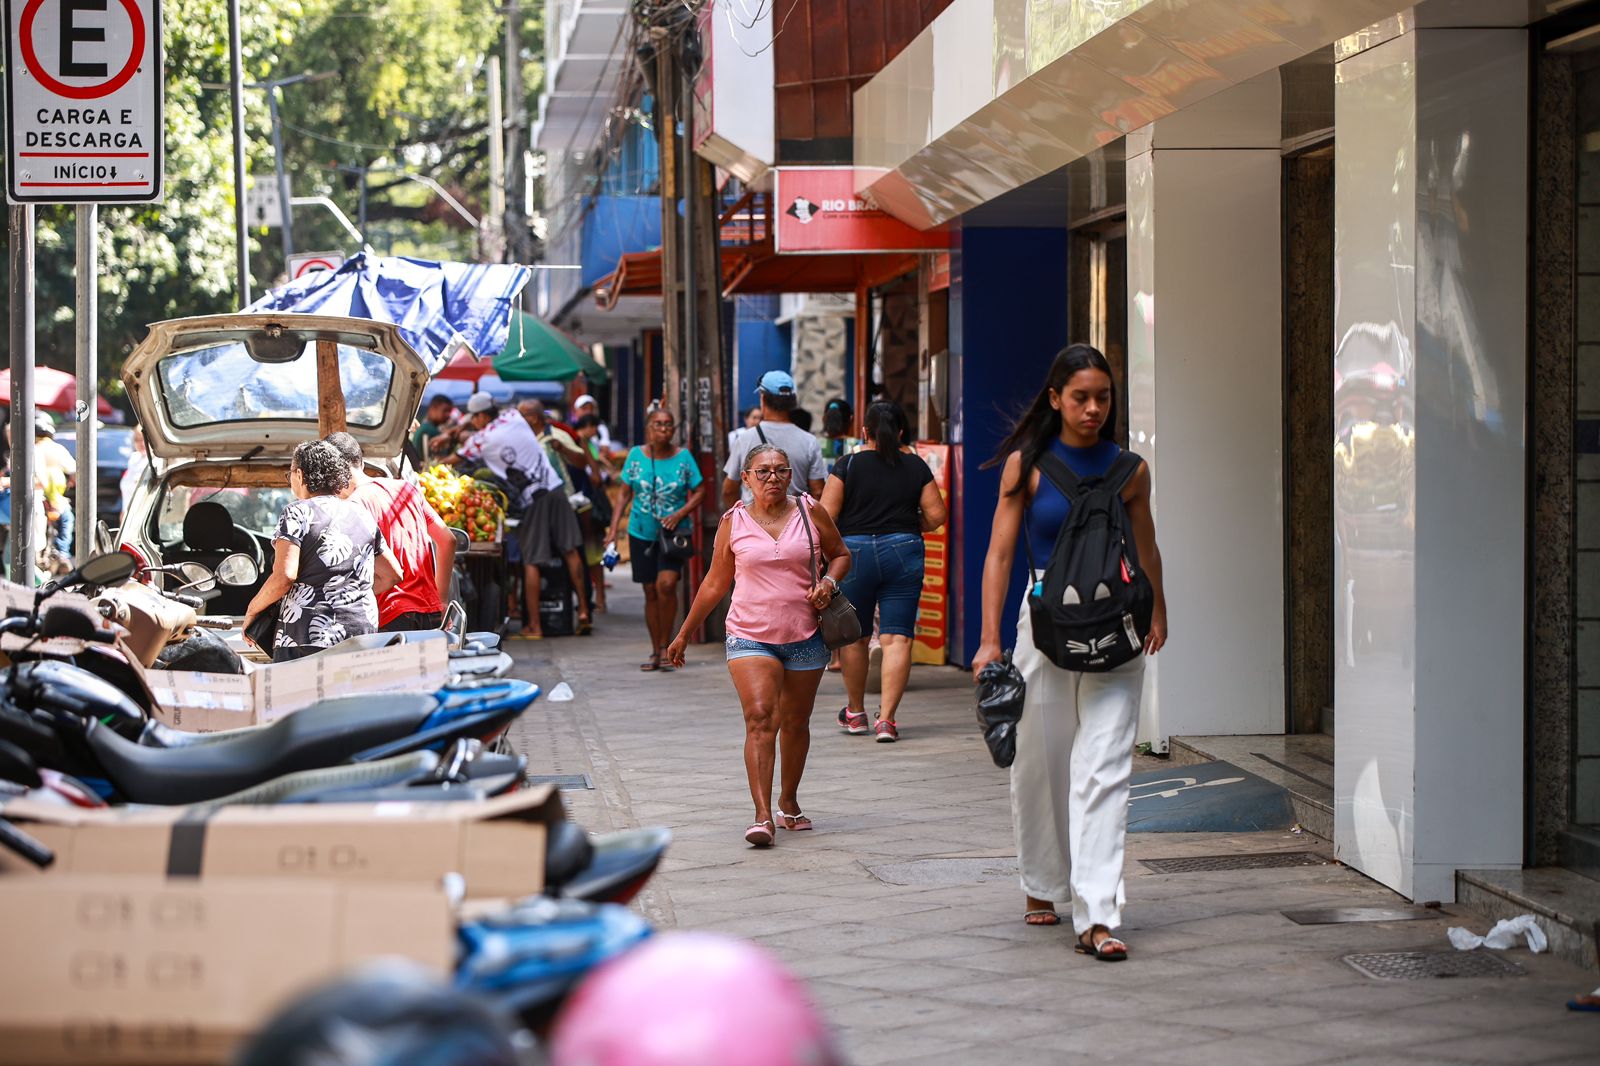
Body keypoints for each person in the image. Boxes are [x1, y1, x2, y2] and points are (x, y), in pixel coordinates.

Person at [971, 343, 1167, 959]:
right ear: (1055, 399)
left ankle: (1097, 915)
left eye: (1103, 398)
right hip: (1045, 633)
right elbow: (1000, 553)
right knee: (1040, 761)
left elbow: (1147, 547)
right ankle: (1043, 882)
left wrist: (1159, 608)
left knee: (1105, 768)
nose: (1093, 409)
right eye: (1080, 397)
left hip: (1118, 633)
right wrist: (988, 640)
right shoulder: (1026, 465)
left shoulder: (1130, 469)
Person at [667, 444, 850, 847]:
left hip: (805, 635)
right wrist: (684, 633)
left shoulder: (810, 510)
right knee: (761, 717)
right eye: (763, 471)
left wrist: (828, 582)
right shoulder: (734, 522)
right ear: (746, 478)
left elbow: (840, 555)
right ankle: (762, 815)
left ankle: (789, 800)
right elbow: (716, 583)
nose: (773, 478)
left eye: (781, 471)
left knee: (796, 723)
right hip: (749, 634)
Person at [819, 402, 945, 742]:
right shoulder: (915, 465)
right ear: (901, 433)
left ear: (864, 433)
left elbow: (826, 515)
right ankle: (887, 721)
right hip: (903, 550)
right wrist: (906, 526)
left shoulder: (848, 464)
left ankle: (856, 712)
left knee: (856, 636)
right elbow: (936, 515)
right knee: (897, 637)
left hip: (855, 552)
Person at [443, 392, 591, 638]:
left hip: (532, 500)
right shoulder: (513, 417)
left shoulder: (480, 440)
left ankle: (534, 626)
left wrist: (442, 449)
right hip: (555, 488)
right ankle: (584, 611)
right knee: (571, 550)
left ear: (480, 417)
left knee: (531, 561)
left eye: (474, 419)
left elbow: (451, 461)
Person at [244, 440, 402, 662]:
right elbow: (393, 574)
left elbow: (284, 577)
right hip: (362, 635)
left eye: (289, 473)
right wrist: (345, 596)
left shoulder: (297, 512)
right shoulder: (361, 514)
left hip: (306, 638)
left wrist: (252, 610)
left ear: (299, 475)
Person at [324, 432, 457, 632]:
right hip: (431, 615)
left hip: (389, 618)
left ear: (331, 471)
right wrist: (442, 600)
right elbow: (448, 540)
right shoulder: (407, 489)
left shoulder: (353, 505)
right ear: (360, 462)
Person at [608, 408, 705, 671]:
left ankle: (666, 646)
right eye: (658, 424)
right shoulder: (636, 456)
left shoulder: (683, 458)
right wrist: (613, 527)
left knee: (666, 584)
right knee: (650, 590)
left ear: (674, 429)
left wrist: (681, 513)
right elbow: (624, 494)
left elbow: (700, 490)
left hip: (673, 535)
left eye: (668, 425)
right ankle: (655, 649)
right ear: (649, 427)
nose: (663, 429)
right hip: (641, 532)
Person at [722, 372, 826, 507]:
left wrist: (741, 518)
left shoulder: (745, 439)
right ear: (793, 401)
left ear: (763, 399)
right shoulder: (809, 441)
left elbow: (729, 491)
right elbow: (818, 491)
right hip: (795, 522)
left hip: (754, 524)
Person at [33, 413, 75, 571]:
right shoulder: (57, 449)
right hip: (54, 499)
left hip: (38, 497)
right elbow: (74, 469)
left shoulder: (32, 448)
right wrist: (71, 482)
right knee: (67, 519)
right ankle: (61, 552)